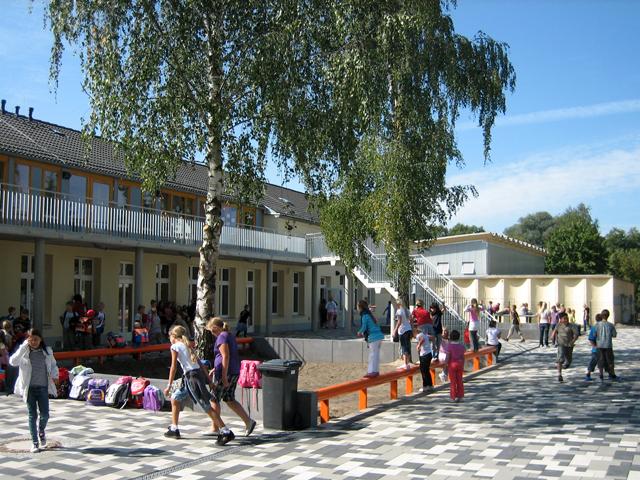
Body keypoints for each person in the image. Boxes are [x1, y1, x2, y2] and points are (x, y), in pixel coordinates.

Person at [163, 325, 234, 445]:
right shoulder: (188, 344)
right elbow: (201, 365)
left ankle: (225, 431)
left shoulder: (175, 346)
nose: (169, 339)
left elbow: (173, 367)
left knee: (205, 405)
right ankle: (174, 429)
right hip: (194, 376)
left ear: (173, 336)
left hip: (192, 378)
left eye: (169, 337)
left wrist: (169, 385)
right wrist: (209, 381)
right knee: (175, 398)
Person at [9, 329, 59, 453]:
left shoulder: (47, 351)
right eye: (31, 340)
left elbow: (53, 365)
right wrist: (23, 346)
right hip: (29, 389)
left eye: (36, 339)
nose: (33, 342)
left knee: (45, 415)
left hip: (43, 387)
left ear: (40, 339)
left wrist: (55, 375)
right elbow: (12, 362)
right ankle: (35, 443)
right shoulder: (24, 352)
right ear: (27, 340)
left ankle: (41, 431)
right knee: (32, 415)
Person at [206, 317, 257, 437]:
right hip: (233, 371)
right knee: (229, 399)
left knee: (214, 399)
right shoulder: (229, 335)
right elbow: (228, 356)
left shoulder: (221, 337)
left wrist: (223, 376)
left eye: (212, 331)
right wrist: (215, 368)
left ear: (216, 328)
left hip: (225, 373)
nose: (212, 334)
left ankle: (215, 428)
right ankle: (248, 422)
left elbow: (225, 356)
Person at [356, 300, 384, 378]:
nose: (357, 308)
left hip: (373, 337)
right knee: (376, 354)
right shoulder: (369, 314)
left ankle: (371, 371)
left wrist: (359, 332)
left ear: (360, 307)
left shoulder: (364, 315)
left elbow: (364, 327)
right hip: (379, 336)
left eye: (357, 306)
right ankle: (376, 371)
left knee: (372, 355)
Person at [550, 312, 576, 383]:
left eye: (567, 318)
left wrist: (572, 341)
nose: (566, 320)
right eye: (564, 318)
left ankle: (564, 365)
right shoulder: (558, 325)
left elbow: (576, 335)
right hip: (561, 344)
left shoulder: (572, 326)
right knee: (560, 359)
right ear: (561, 319)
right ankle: (559, 375)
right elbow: (554, 331)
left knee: (569, 361)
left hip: (569, 345)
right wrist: (552, 336)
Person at [594, 309, 617, 381]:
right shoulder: (611, 325)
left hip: (599, 345)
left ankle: (601, 374)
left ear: (601, 315)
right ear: (608, 316)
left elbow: (594, 334)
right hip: (608, 345)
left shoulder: (597, 325)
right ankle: (611, 373)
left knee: (600, 359)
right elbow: (614, 335)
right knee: (610, 360)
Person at [445, 330, 465, 403]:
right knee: (460, 380)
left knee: (453, 381)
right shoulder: (461, 346)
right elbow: (463, 357)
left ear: (451, 337)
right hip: (460, 364)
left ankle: (453, 397)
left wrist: (445, 364)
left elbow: (448, 356)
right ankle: (461, 396)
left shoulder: (449, 346)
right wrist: (463, 364)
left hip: (452, 365)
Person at [392, 299, 413, 370]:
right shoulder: (407, 310)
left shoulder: (399, 311)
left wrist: (395, 330)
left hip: (403, 330)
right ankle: (408, 363)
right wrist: (411, 328)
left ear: (398, 304)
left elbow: (399, 321)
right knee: (408, 346)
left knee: (404, 347)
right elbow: (411, 319)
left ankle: (405, 364)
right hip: (408, 329)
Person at [584, 313, 602, 381]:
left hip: (598, 347)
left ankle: (600, 374)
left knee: (599, 361)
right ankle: (588, 374)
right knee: (594, 361)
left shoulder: (595, 327)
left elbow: (590, 338)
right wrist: (594, 346)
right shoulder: (595, 327)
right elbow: (591, 338)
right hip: (597, 348)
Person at [415, 325, 433, 393]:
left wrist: (419, 345)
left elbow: (422, 339)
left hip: (424, 355)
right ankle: (430, 385)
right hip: (429, 354)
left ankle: (425, 386)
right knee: (427, 371)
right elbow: (432, 337)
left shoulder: (419, 335)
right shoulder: (424, 334)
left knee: (423, 371)